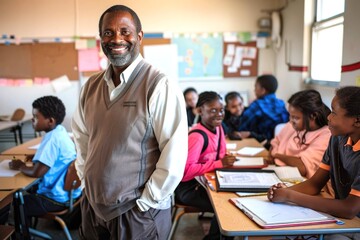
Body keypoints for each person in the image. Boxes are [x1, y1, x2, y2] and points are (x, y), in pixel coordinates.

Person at [71, 5, 188, 239]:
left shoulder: (158, 85)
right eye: (108, 32)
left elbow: (174, 154)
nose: (116, 39)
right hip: (94, 208)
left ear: (139, 37)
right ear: (101, 38)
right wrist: (86, 184)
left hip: (136, 213)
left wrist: (147, 202)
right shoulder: (91, 87)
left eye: (125, 31)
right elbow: (83, 141)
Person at [267, 86, 360, 240]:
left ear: (357, 120)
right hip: (345, 218)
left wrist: (290, 195)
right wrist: (283, 192)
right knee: (282, 231)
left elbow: (349, 209)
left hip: (353, 219)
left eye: (334, 113)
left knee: (333, 238)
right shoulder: (337, 139)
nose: (328, 117)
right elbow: (315, 184)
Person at [9, 96, 80, 226]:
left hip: (55, 199)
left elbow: (38, 172)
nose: (32, 119)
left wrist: (20, 165)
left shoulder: (51, 139)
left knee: (17, 204)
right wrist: (39, 155)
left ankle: (23, 235)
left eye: (36, 117)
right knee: (26, 191)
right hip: (70, 194)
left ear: (50, 121)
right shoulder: (60, 132)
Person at [175, 91, 236, 240]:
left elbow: (221, 153)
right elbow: (186, 172)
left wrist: (225, 159)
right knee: (226, 205)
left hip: (208, 181)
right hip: (189, 188)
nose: (219, 114)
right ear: (200, 111)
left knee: (232, 199)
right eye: (213, 110)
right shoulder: (197, 136)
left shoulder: (219, 128)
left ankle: (218, 236)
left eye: (221, 110)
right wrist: (218, 163)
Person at [269, 89, 331, 179]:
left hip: (301, 180)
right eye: (290, 115)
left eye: (296, 117)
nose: (291, 120)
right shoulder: (292, 126)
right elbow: (274, 143)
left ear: (313, 116)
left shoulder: (326, 135)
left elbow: (302, 167)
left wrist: (276, 155)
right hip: (278, 170)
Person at [238, 74, 289, 148]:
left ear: (263, 90)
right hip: (281, 145)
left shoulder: (257, 105)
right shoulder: (281, 103)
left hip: (259, 144)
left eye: (255, 87)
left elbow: (242, 127)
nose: (254, 90)